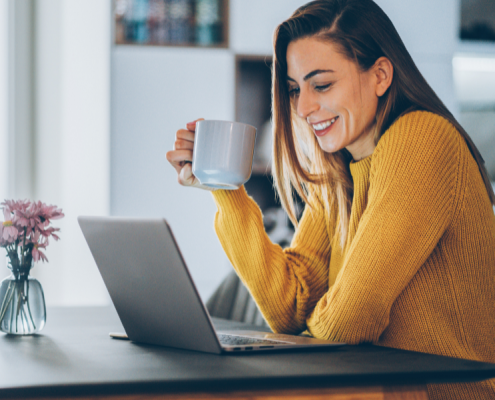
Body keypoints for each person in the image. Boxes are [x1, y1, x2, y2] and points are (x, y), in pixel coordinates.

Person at [166, 1, 495, 398]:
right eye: (294, 89)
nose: (303, 108)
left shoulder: (422, 138)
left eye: (321, 85)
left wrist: (293, 347)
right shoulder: (339, 172)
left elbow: (351, 319)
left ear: (380, 75)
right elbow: (290, 308)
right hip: (376, 385)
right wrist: (224, 187)